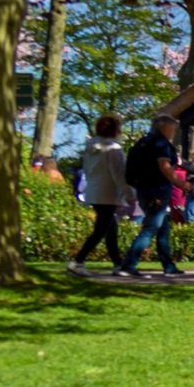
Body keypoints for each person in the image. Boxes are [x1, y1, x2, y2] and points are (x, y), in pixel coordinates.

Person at [121, 112, 188, 277]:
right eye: (172, 129)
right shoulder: (161, 144)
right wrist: (182, 184)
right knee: (151, 228)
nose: (173, 133)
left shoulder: (143, 142)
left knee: (163, 228)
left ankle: (169, 266)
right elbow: (164, 167)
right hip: (157, 191)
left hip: (143, 189)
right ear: (164, 128)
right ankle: (129, 264)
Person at [70, 115, 130, 273]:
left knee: (110, 228)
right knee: (101, 230)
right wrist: (128, 193)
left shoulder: (90, 148)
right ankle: (78, 261)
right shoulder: (113, 149)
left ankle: (118, 263)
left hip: (94, 191)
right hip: (108, 193)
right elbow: (118, 174)